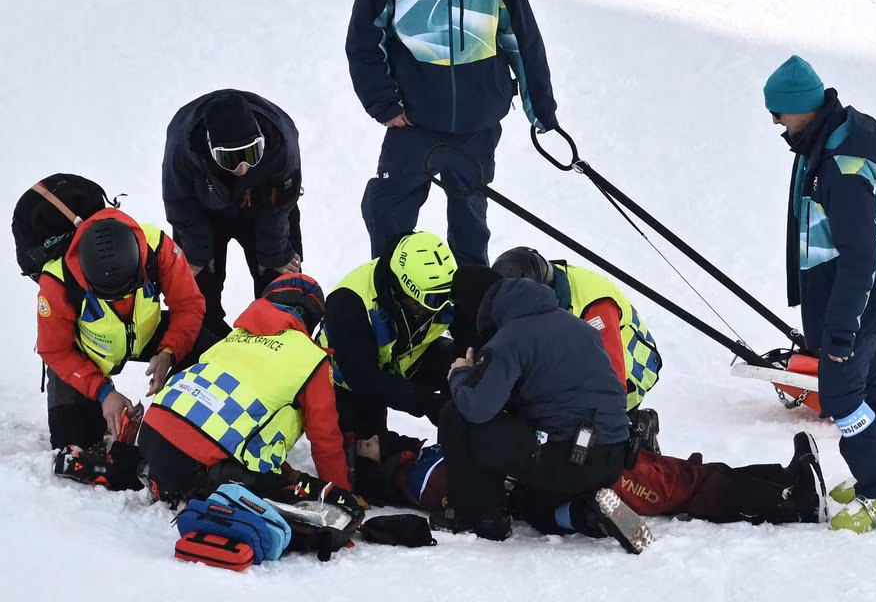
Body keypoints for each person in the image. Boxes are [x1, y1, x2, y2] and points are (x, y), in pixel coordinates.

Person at [346, 0, 559, 266]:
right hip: (413, 122)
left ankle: (470, 311)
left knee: (471, 228)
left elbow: (520, 36)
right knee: (388, 214)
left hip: (477, 122)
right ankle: (392, 299)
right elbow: (364, 41)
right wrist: (384, 104)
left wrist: (541, 109)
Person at [765, 55, 876, 533]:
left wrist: (839, 330)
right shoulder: (826, 143)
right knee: (875, 388)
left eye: (779, 112)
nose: (775, 122)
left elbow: (859, 259)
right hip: (865, 301)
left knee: (843, 399)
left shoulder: (841, 167)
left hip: (857, 303)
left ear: (803, 108)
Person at [431, 266, 649, 552]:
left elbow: (477, 407)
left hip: (571, 456)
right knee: (533, 507)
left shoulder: (510, 338)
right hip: (614, 455)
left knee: (456, 415)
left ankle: (480, 517)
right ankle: (586, 514)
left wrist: (461, 374)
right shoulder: (575, 325)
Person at [138, 274, 350, 502]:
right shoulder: (311, 359)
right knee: (294, 492)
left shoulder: (232, 338)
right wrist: (340, 494)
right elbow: (325, 437)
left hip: (151, 435)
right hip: (208, 466)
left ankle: (168, 478)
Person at [36, 208, 207, 490]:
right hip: (88, 353)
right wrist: (103, 393)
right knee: (72, 446)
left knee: (210, 349)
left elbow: (190, 305)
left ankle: (194, 423)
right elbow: (54, 351)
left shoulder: (157, 247)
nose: (123, 299)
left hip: (149, 332)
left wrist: (169, 352)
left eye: (131, 289)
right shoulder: (56, 281)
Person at [361, 430, 829, 527]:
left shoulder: (423, 454)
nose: (371, 438)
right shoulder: (419, 478)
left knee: (676, 474)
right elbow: (481, 488)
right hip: (558, 478)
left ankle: (781, 478)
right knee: (677, 487)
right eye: (364, 445)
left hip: (556, 466)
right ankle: (790, 500)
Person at [162, 89, 304, 336]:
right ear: (209, 147)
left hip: (265, 208)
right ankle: (204, 342)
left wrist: (273, 253)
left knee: (280, 279)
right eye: (230, 159)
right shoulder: (182, 144)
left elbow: (283, 201)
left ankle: (277, 340)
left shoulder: (282, 139)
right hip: (205, 211)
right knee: (196, 285)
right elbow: (179, 202)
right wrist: (197, 253)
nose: (243, 167)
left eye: (251, 153)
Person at [321, 231, 460, 474]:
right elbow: (364, 379)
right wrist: (427, 402)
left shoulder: (438, 289)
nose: (441, 307)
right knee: (367, 463)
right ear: (403, 288)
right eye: (432, 300)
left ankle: (460, 444)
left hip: (404, 358)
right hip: (347, 385)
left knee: (460, 363)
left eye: (447, 296)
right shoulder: (349, 303)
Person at [491, 247, 662, 413]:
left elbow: (611, 385)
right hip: (580, 355)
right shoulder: (542, 285)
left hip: (630, 374)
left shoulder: (595, 307)